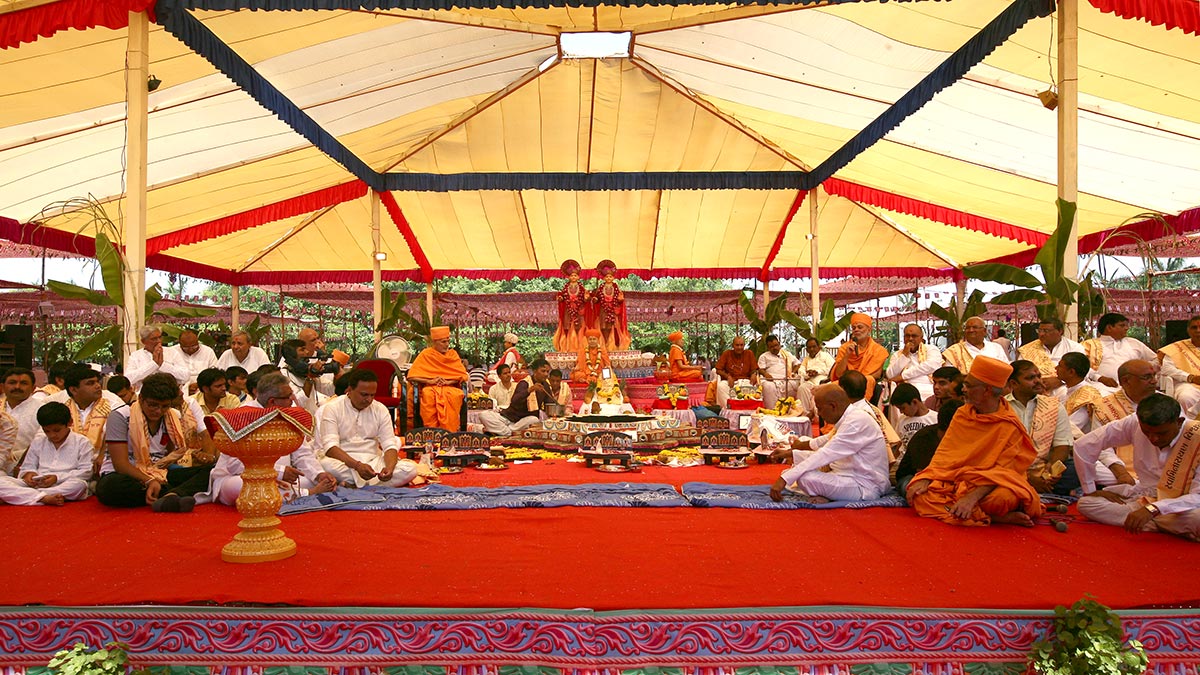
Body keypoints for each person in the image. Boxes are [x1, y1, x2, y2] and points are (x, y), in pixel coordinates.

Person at [906, 356, 1042, 527]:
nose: (963, 389)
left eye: (969, 385)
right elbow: (945, 454)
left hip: (990, 486)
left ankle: (970, 511)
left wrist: (971, 497)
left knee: (1002, 499)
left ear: (987, 390)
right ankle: (993, 517)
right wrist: (927, 477)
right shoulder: (962, 414)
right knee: (919, 494)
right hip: (958, 479)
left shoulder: (1009, 424)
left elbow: (1003, 472)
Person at [1074, 394, 1200, 541]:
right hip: (1144, 497)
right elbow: (1085, 445)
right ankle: (1159, 525)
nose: (1153, 438)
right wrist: (1090, 489)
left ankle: (1148, 522)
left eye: (1161, 433)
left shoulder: (1196, 437)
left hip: (1182, 505)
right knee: (1086, 503)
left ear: (1179, 422)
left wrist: (1154, 509)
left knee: (1196, 518)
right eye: (1147, 432)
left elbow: (1197, 497)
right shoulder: (1133, 422)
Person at [204, 372, 337, 505]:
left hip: (281, 480)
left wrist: (319, 475)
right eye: (288, 396)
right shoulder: (242, 416)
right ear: (272, 401)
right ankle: (306, 493)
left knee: (311, 480)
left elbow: (302, 453)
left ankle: (298, 492)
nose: (292, 399)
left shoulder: (288, 414)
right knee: (245, 485)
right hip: (238, 478)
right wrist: (279, 472)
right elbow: (235, 465)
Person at [96, 372, 216, 512]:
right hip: (126, 475)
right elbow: (120, 464)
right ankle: (175, 493)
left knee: (212, 471)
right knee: (110, 487)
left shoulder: (172, 416)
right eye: (153, 405)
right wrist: (149, 480)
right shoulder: (120, 416)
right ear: (141, 398)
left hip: (159, 472)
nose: (158, 411)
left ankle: (170, 495)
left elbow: (169, 457)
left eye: (164, 406)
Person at [768, 383, 890, 504]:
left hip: (865, 484)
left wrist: (784, 479)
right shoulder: (849, 417)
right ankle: (829, 494)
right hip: (844, 474)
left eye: (819, 409)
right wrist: (790, 454)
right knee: (794, 472)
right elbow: (826, 447)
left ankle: (830, 495)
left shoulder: (856, 421)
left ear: (833, 406)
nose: (819, 414)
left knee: (803, 478)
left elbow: (825, 454)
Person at [319, 369, 414, 488]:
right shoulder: (332, 408)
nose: (369, 399)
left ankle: (353, 486)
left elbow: (389, 445)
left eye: (372, 395)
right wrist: (357, 466)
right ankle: (373, 486)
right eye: (364, 395)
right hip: (344, 462)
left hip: (373, 461)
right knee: (325, 465)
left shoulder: (380, 409)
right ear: (350, 390)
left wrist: (389, 468)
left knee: (410, 469)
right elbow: (330, 448)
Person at [1057, 352, 1134, 487]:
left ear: (1071, 372)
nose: (1055, 368)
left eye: (1060, 366)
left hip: (1089, 448)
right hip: (1073, 445)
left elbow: (1071, 428)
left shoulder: (1087, 395)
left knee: (1072, 471)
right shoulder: (1064, 391)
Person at [1005, 360, 1076, 496]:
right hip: (1010, 469)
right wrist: (1028, 478)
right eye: (1030, 378)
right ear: (1014, 384)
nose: (1038, 381)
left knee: (1076, 468)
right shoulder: (1001, 407)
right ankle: (1028, 486)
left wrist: (1051, 471)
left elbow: (1062, 445)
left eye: (1038, 376)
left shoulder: (1054, 406)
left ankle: (1037, 486)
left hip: (1044, 469)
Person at [0, 403, 92, 506]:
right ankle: (43, 498)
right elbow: (27, 467)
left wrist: (57, 478)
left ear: (69, 422)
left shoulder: (82, 442)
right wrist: (30, 474)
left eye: (57, 430)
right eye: (47, 431)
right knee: (1, 481)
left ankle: (23, 496)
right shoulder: (38, 441)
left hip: (62, 483)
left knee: (79, 485)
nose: (52, 435)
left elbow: (86, 472)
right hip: (36, 484)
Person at [47, 364, 122, 477]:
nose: (98, 386)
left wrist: (103, 454)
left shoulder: (112, 404)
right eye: (90, 383)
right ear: (73, 390)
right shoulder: (61, 408)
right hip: (64, 465)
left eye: (97, 382)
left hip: (102, 465)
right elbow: (44, 435)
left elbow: (120, 433)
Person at [895, 399, 965, 496]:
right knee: (919, 492)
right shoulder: (923, 438)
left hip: (946, 478)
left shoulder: (965, 437)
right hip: (914, 476)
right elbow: (923, 475)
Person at [407, 326, 469, 432]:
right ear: (435, 342)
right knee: (428, 394)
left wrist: (448, 381)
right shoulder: (426, 354)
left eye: (448, 341)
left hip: (450, 387)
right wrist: (430, 381)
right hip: (430, 387)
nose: (447, 344)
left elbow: (462, 375)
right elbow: (412, 376)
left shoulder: (453, 355)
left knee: (455, 395)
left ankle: (449, 431)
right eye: (443, 342)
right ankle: (431, 431)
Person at [478, 359, 554, 436]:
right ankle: (509, 432)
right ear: (535, 371)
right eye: (543, 371)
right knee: (483, 415)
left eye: (547, 372)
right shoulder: (524, 383)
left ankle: (506, 432)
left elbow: (550, 403)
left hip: (523, 421)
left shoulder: (545, 386)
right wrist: (530, 390)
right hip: (508, 417)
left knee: (534, 419)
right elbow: (514, 401)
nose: (546, 374)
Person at [1082, 312, 1157, 390]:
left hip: (1133, 388)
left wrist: (1143, 371)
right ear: (1109, 327)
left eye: (1127, 325)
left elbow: (1156, 359)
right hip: (1099, 387)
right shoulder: (1089, 345)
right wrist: (1099, 378)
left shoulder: (1133, 343)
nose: (1127, 328)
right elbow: (1080, 367)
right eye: (1122, 325)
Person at [1018, 317, 1086, 395]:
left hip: (1065, 386)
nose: (1041, 334)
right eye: (1039, 331)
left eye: (1046, 331)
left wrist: (1060, 381)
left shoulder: (1074, 348)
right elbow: (1020, 371)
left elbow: (1081, 373)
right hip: (1034, 387)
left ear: (1060, 331)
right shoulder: (1028, 349)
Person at [830, 313, 888, 402]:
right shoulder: (844, 348)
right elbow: (839, 374)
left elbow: (877, 374)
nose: (856, 330)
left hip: (865, 381)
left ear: (869, 329)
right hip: (847, 382)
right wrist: (846, 355)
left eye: (860, 327)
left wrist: (857, 380)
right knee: (827, 389)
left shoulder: (878, 350)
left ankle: (861, 407)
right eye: (854, 328)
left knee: (869, 379)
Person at [1, 367, 46, 473]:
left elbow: (42, 441)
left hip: (28, 467)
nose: (17, 387)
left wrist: (22, 465)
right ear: (2, 387)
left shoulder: (42, 409)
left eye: (23, 383)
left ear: (33, 388)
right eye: (12, 383)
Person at [886, 324, 944, 402]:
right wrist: (904, 356)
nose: (910, 339)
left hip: (929, 388)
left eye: (914, 336)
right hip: (905, 390)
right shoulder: (897, 355)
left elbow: (932, 366)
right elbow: (890, 375)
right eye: (907, 336)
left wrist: (903, 376)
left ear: (921, 338)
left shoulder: (931, 349)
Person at [125, 325, 189, 392]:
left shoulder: (172, 352)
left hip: (170, 393)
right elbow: (128, 379)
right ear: (143, 341)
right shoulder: (135, 356)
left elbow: (185, 376)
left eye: (160, 337)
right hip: (145, 394)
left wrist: (163, 365)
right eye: (154, 339)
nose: (159, 341)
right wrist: (154, 364)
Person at [1158, 314, 1200, 415]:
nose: (1198, 330)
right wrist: (1190, 377)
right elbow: (1167, 369)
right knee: (1186, 397)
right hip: (1189, 384)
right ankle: (1189, 424)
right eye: (1194, 327)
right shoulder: (1176, 348)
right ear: (1188, 330)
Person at [757, 334, 807, 414]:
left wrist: (793, 372)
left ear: (779, 344)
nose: (775, 348)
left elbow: (798, 364)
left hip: (787, 378)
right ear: (768, 348)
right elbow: (760, 369)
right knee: (767, 386)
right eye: (771, 347)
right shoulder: (764, 356)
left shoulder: (787, 354)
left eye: (776, 345)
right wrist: (766, 374)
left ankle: (791, 412)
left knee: (795, 384)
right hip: (772, 380)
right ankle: (772, 411)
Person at [941, 316, 1010, 373]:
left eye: (975, 327)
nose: (971, 330)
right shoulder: (954, 351)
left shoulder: (996, 348)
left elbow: (1006, 369)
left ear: (984, 331)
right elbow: (949, 375)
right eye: (968, 328)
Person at [590, 259, 630, 351]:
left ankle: (613, 345)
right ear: (604, 278)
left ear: (613, 278)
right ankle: (604, 344)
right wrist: (595, 300)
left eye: (610, 277)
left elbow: (620, 299)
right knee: (603, 327)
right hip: (603, 310)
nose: (608, 278)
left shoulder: (616, 288)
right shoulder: (600, 288)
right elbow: (597, 298)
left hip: (613, 311)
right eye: (607, 277)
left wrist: (620, 300)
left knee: (614, 327)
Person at [890, 383, 937, 459]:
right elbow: (900, 443)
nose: (901, 412)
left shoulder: (935, 419)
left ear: (914, 402)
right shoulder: (902, 419)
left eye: (903, 408)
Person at [554, 259, 590, 352]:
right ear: (568, 277)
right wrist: (560, 298)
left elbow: (585, 298)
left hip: (579, 309)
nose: (573, 277)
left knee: (580, 327)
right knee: (568, 326)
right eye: (571, 275)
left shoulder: (581, 288)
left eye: (575, 275)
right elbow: (562, 296)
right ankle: (568, 346)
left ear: (578, 277)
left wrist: (586, 298)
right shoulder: (566, 288)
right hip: (568, 310)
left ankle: (580, 346)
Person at [713, 336, 758, 407]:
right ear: (732, 345)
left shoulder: (749, 353)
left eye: (741, 345)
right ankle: (728, 409)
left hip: (746, 381)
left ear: (744, 345)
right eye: (737, 345)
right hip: (731, 382)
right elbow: (718, 370)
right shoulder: (727, 354)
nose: (739, 347)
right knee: (721, 386)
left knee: (753, 389)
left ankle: (747, 409)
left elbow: (754, 369)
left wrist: (754, 374)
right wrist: (728, 377)